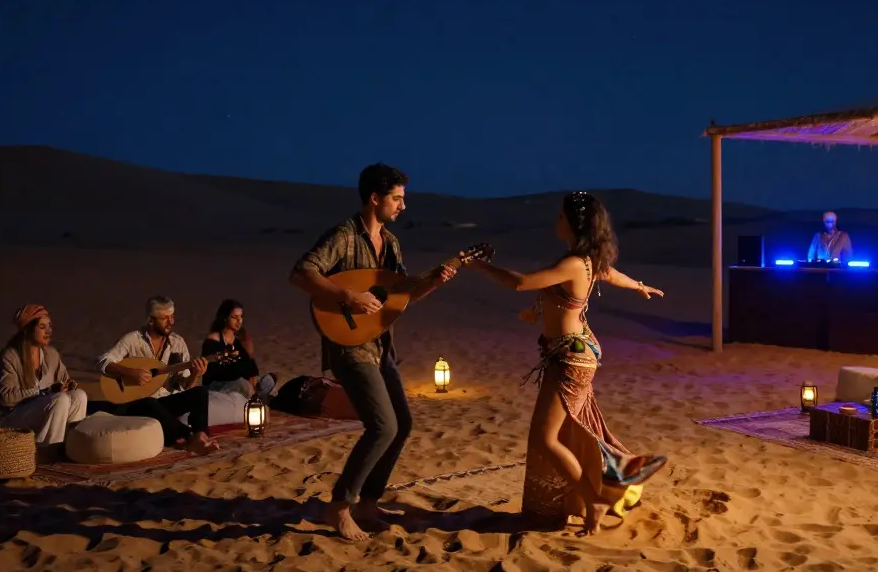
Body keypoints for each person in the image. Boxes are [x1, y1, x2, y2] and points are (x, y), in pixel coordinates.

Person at [467, 191, 668, 535]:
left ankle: (594, 501)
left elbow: (521, 282)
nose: (555, 222)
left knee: (546, 438)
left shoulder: (574, 264)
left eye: (560, 217)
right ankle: (594, 494)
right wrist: (638, 286)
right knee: (569, 433)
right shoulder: (586, 261)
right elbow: (610, 274)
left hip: (570, 360)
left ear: (573, 224)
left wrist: (480, 265)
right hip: (571, 354)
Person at [288, 163, 456, 541]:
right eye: (397, 198)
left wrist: (434, 281)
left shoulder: (392, 244)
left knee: (403, 425)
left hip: (381, 345)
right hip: (349, 346)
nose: (402, 206)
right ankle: (339, 506)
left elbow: (402, 295)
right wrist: (347, 295)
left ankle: (367, 502)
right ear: (375, 198)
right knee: (383, 426)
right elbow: (302, 273)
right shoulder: (344, 237)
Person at [96, 296, 218, 454]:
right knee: (149, 402)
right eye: (165, 318)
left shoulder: (178, 343)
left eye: (172, 317)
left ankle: (200, 436)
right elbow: (102, 361)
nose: (171, 322)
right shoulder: (133, 339)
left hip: (165, 403)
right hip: (138, 403)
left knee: (200, 392)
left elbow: (185, 385)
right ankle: (189, 438)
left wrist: (195, 374)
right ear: (151, 320)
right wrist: (130, 372)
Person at [0, 304, 88, 448]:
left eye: (49, 326)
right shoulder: (11, 356)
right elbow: (6, 397)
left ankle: (71, 446)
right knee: (60, 400)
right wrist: (43, 392)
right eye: (42, 327)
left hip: (44, 413)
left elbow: (64, 381)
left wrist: (69, 386)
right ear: (28, 329)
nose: (48, 331)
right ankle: (49, 449)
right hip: (13, 417)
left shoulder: (51, 355)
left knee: (79, 396)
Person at [201, 299, 263, 397]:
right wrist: (243, 374)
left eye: (241, 317)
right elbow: (217, 373)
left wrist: (254, 376)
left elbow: (250, 364)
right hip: (216, 386)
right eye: (235, 317)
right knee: (243, 385)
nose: (239, 321)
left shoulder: (237, 341)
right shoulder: (213, 340)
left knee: (268, 379)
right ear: (225, 318)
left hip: (239, 383)